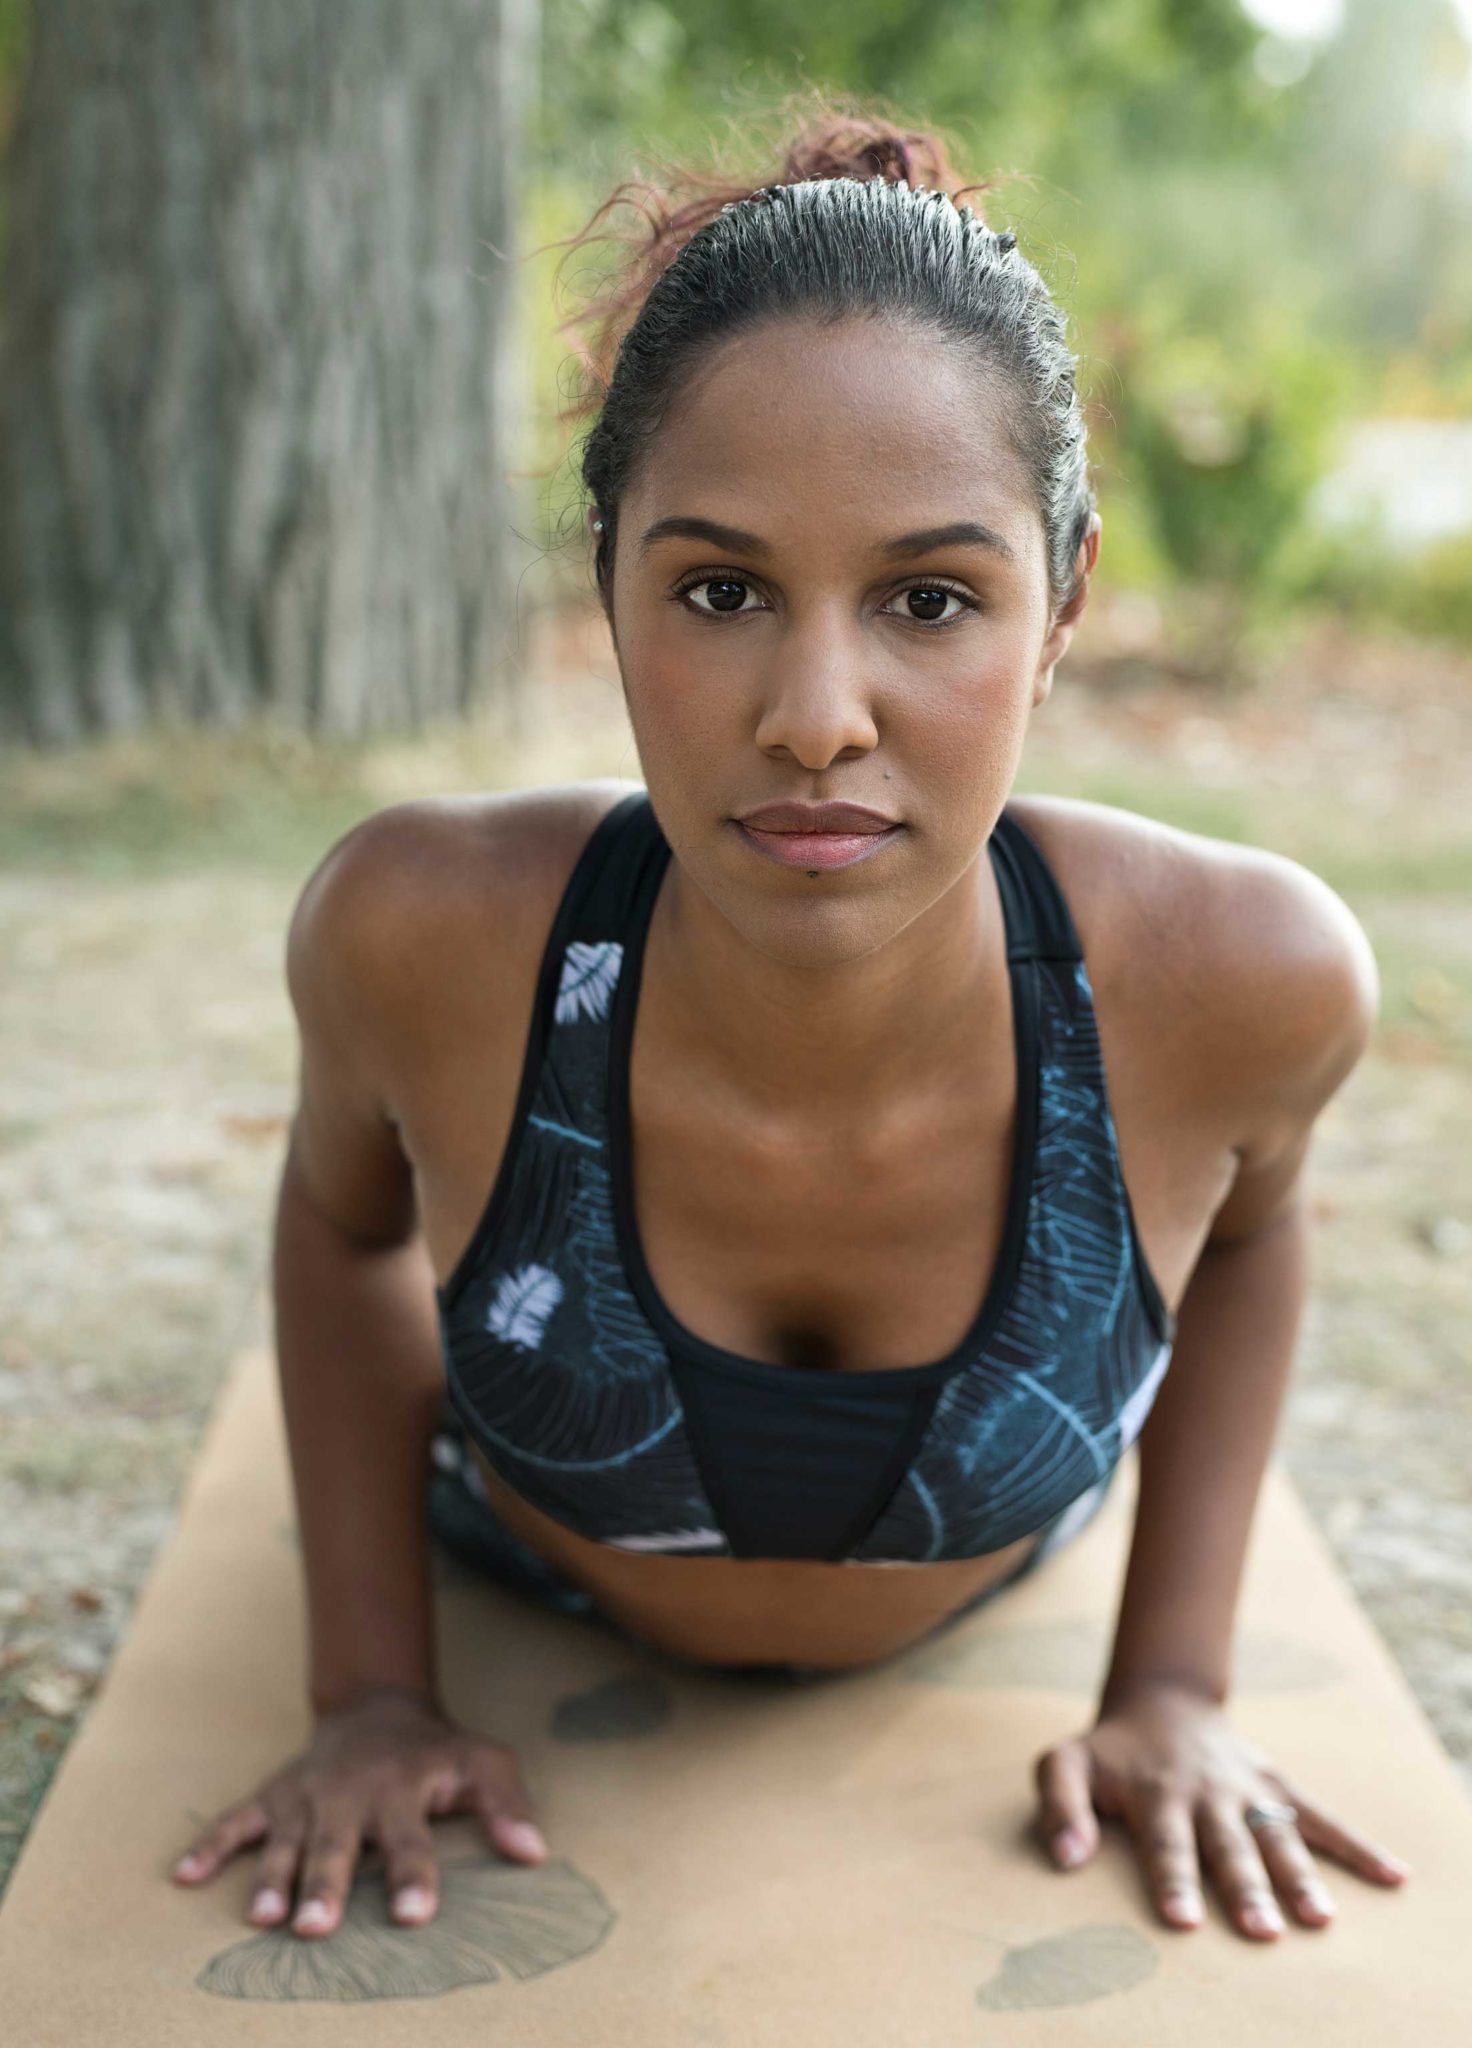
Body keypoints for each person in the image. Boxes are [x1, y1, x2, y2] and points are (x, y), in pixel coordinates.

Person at [170, 102, 1411, 1954]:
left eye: (929, 598)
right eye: (723, 590)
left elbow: (1256, 1222)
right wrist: (365, 1687)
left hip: (993, 1603)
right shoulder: (428, 938)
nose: (818, 712)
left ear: (1059, 605)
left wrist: (1172, 1681)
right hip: (522, 1565)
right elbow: (342, 1221)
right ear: (608, 586)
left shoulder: (1238, 981)